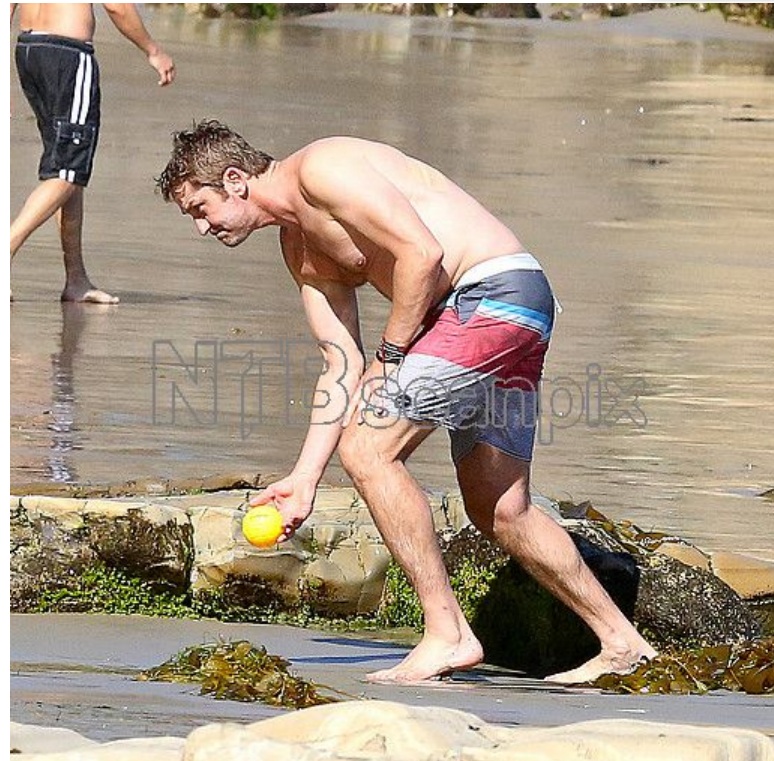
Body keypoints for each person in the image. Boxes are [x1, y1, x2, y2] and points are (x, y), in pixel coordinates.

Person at [156, 119, 657, 685]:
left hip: (491, 295)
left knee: (369, 449)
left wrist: (390, 357)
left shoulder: (323, 168)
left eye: (200, 209)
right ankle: (622, 642)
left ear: (234, 180)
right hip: (493, 314)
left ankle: (448, 634)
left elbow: (422, 253)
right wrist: (304, 479)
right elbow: (339, 365)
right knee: (500, 509)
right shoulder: (299, 248)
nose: (201, 227)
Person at [10, 3, 176, 303]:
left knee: (66, 170)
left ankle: (76, 279)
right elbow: (116, 6)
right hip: (68, 55)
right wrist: (153, 50)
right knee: (67, 172)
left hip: (29, 49)